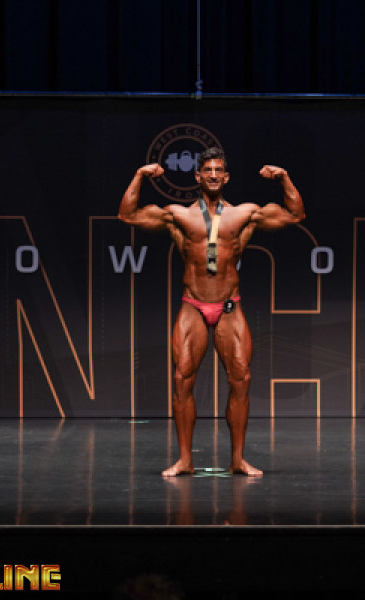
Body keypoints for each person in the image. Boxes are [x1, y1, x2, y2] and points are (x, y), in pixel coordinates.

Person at [118, 147, 305, 477]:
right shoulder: (178, 215)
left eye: (219, 170)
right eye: (208, 170)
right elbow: (128, 215)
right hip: (193, 305)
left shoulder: (244, 214)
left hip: (229, 306)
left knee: (241, 380)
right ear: (198, 176)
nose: (214, 175)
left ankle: (238, 460)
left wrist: (284, 177)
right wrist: (139, 176)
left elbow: (294, 214)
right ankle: (184, 460)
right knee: (182, 380)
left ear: (227, 177)